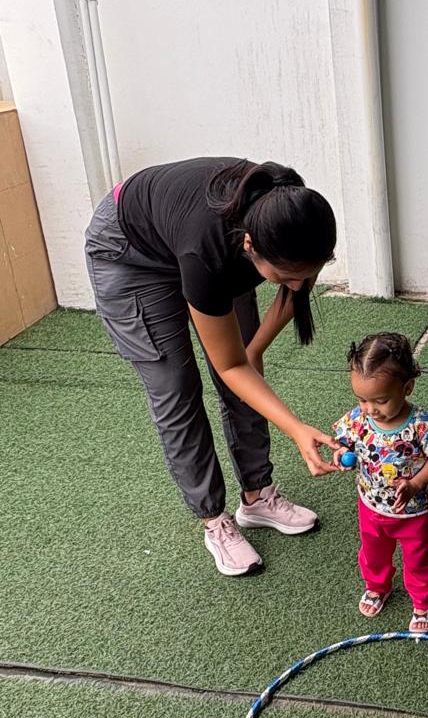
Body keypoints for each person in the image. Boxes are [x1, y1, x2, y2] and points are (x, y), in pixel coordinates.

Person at [84, 156, 342, 576]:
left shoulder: (295, 222)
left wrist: (254, 351)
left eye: (306, 274)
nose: (299, 287)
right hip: (130, 253)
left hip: (196, 239)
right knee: (176, 387)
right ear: (250, 246)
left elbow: (247, 357)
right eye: (284, 277)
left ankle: (257, 497)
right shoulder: (210, 254)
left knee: (244, 375)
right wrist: (297, 429)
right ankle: (213, 519)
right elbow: (230, 365)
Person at [333, 333, 428, 634]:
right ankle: (376, 586)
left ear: (406, 387)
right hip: (370, 505)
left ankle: (424, 602)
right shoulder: (358, 419)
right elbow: (343, 442)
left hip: (413, 511)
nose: (370, 408)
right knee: (373, 553)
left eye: (380, 400)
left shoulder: (421, 424)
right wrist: (340, 452)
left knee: (419, 558)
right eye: (362, 399)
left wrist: (415, 484)